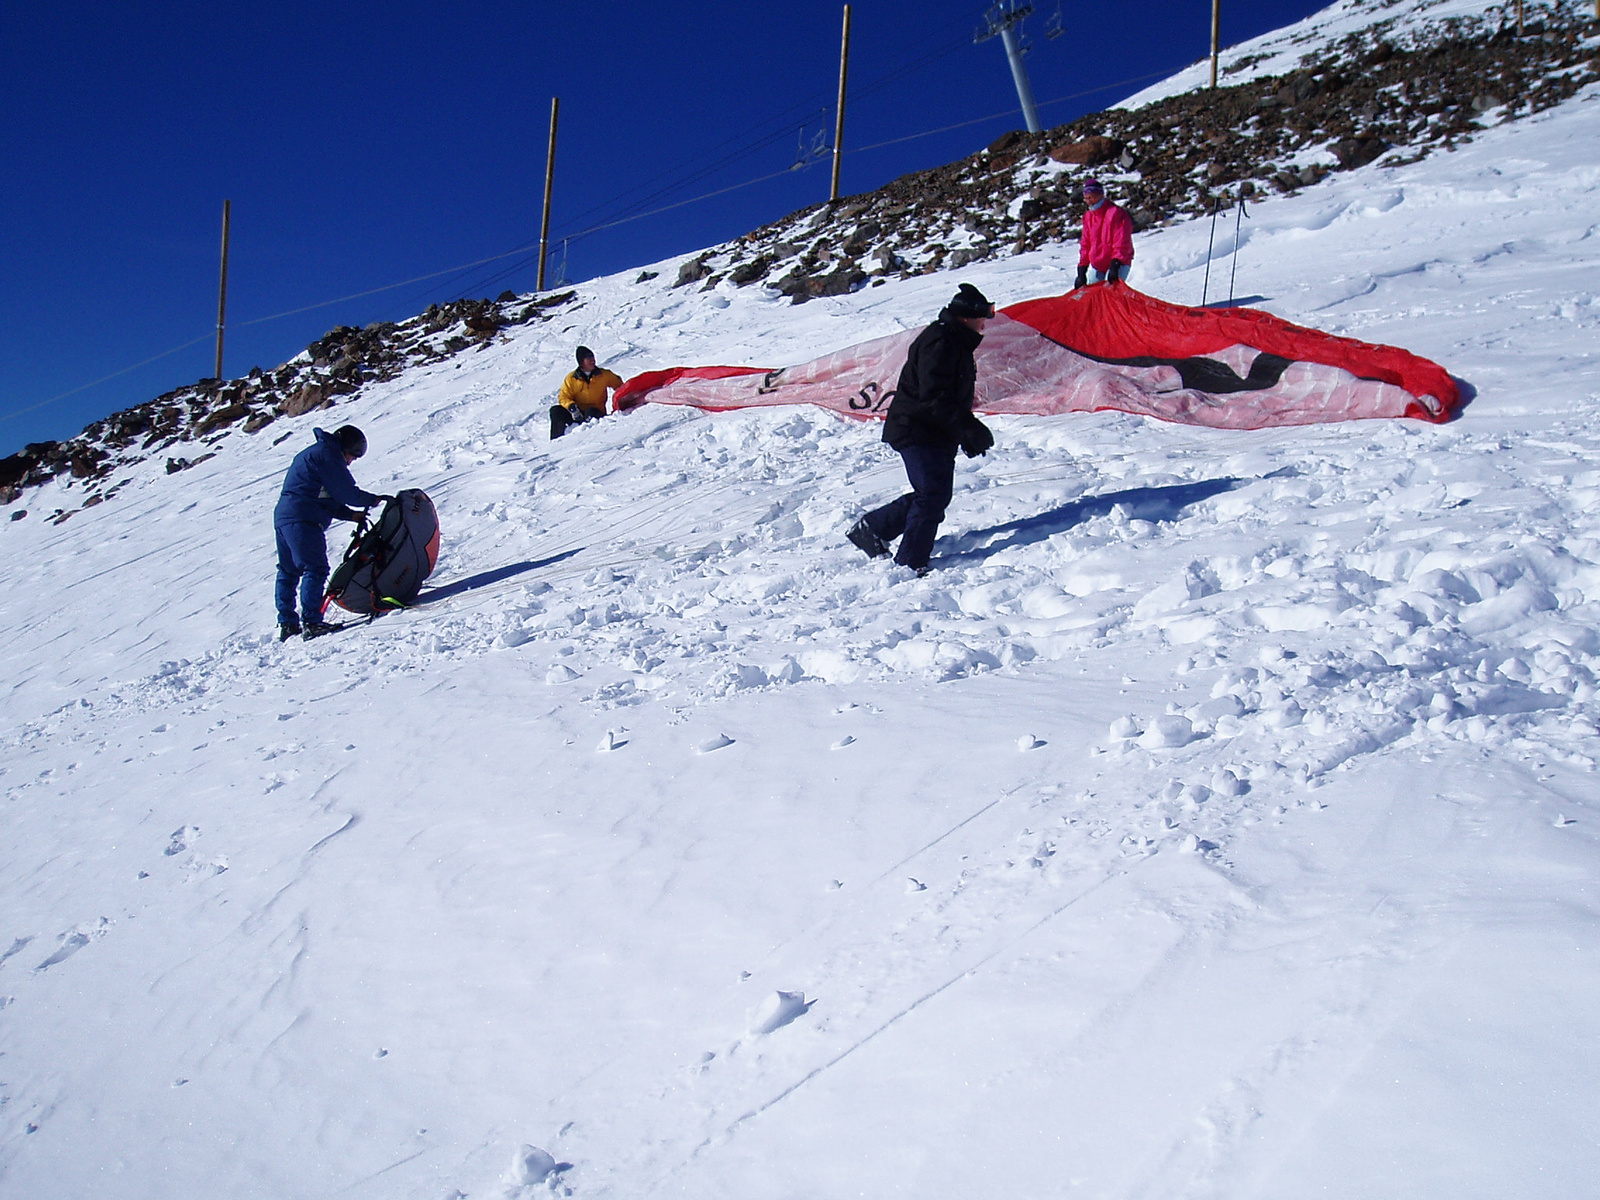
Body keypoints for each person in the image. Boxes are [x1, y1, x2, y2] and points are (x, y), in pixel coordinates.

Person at [846, 283, 996, 576]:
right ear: (967, 316)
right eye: (983, 316)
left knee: (933, 493)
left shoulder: (956, 340)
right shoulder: (941, 341)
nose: (985, 323)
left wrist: (961, 432)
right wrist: (966, 428)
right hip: (916, 429)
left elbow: (944, 399)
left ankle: (873, 528)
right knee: (932, 495)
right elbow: (933, 396)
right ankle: (910, 562)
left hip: (932, 430)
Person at [273, 424, 388, 641]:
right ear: (347, 447)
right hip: (303, 519)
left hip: (285, 518)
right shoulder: (328, 455)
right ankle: (312, 622)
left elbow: (325, 498)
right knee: (315, 568)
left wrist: (352, 516)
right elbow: (345, 492)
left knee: (288, 572)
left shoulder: (316, 454)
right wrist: (372, 500)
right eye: (353, 456)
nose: (351, 461)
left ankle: (288, 623)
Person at [550, 346, 625, 439]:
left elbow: (621, 387)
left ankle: (589, 440)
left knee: (591, 411)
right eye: (588, 357)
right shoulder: (571, 378)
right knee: (556, 411)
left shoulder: (604, 375)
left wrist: (625, 399)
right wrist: (571, 407)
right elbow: (563, 396)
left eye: (592, 357)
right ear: (581, 361)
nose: (592, 360)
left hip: (596, 412)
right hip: (577, 415)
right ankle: (556, 442)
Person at [1074, 177, 1135, 288]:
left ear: (1100, 195)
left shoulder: (1116, 213)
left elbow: (1121, 241)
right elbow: (1086, 244)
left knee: (1111, 292)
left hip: (1118, 262)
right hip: (1098, 264)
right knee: (1092, 293)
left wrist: (1116, 263)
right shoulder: (1088, 217)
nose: (1088, 201)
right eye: (1086, 198)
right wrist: (1082, 269)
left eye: (1090, 197)